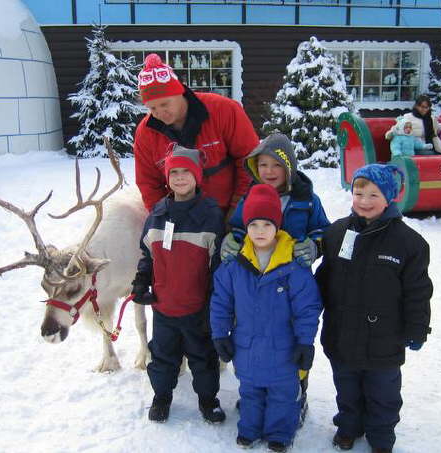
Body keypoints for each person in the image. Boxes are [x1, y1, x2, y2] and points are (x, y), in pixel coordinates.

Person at [315, 164, 433, 453]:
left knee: (383, 394)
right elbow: (324, 278)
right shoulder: (337, 232)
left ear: (389, 197)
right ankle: (349, 426)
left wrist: (416, 329)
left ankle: (381, 437)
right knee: (347, 388)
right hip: (341, 333)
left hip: (384, 339)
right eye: (358, 193)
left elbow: (418, 293)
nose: (364, 201)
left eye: (373, 195)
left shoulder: (409, 243)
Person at [220, 133, 330, 419]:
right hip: (257, 281)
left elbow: (323, 230)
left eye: (275, 165)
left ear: (289, 167)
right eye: (263, 165)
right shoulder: (252, 196)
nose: (269, 172)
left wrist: (314, 244)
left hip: (293, 284)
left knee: (292, 340)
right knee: (257, 335)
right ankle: (255, 391)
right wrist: (232, 240)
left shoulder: (306, 199)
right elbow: (239, 227)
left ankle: (296, 392)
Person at [210, 184, 322, 452]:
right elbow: (221, 302)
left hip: (284, 348)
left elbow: (307, 308)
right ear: (245, 227)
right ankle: (249, 428)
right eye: (254, 224)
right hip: (246, 346)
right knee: (250, 391)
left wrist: (305, 342)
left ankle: (280, 433)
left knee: (282, 394)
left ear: (278, 226)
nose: (260, 231)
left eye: (267, 224)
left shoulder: (294, 264)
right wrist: (219, 333)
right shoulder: (235, 264)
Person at [131, 145, 226, 424]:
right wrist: (141, 282)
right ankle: (162, 397)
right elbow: (147, 254)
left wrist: (214, 304)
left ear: (197, 176)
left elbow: (218, 266)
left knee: (203, 360)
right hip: (164, 308)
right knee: (162, 358)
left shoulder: (211, 215)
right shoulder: (158, 214)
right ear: (167, 177)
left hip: (198, 309)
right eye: (174, 172)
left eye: (186, 171)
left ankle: (208, 400)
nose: (180, 177)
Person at [133, 53, 259, 214]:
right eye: (152, 108)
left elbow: (250, 160)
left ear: (179, 92)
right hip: (182, 219)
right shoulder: (146, 133)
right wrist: (163, 219)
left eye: (165, 104)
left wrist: (237, 209)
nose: (159, 113)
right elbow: (149, 185)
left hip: (229, 210)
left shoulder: (224, 110)